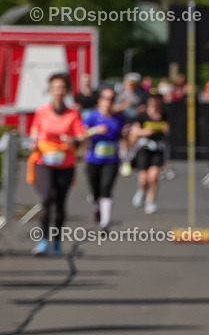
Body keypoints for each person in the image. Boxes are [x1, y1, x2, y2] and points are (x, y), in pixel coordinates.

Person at [29, 72, 87, 255]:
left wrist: (74, 142)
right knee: (46, 199)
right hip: (43, 161)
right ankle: (43, 241)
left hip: (65, 163)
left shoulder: (73, 114)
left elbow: (80, 135)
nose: (58, 91)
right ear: (50, 90)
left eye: (62, 88)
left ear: (67, 90)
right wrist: (33, 141)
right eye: (55, 88)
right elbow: (35, 131)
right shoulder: (42, 111)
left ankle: (56, 241)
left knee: (60, 204)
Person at [81, 85, 128, 231]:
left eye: (112, 99)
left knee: (106, 188)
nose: (108, 102)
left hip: (112, 160)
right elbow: (81, 135)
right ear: (100, 100)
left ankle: (105, 223)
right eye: (106, 98)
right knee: (95, 191)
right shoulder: (92, 116)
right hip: (93, 159)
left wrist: (126, 159)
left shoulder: (119, 118)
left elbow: (123, 138)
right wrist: (95, 130)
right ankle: (96, 206)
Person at [129, 92, 170, 214]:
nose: (154, 103)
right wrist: (144, 132)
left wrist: (167, 130)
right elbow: (134, 132)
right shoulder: (142, 115)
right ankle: (141, 190)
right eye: (152, 100)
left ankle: (150, 201)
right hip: (144, 148)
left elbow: (172, 129)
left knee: (154, 176)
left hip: (158, 148)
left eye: (157, 100)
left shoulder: (165, 115)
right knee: (144, 178)